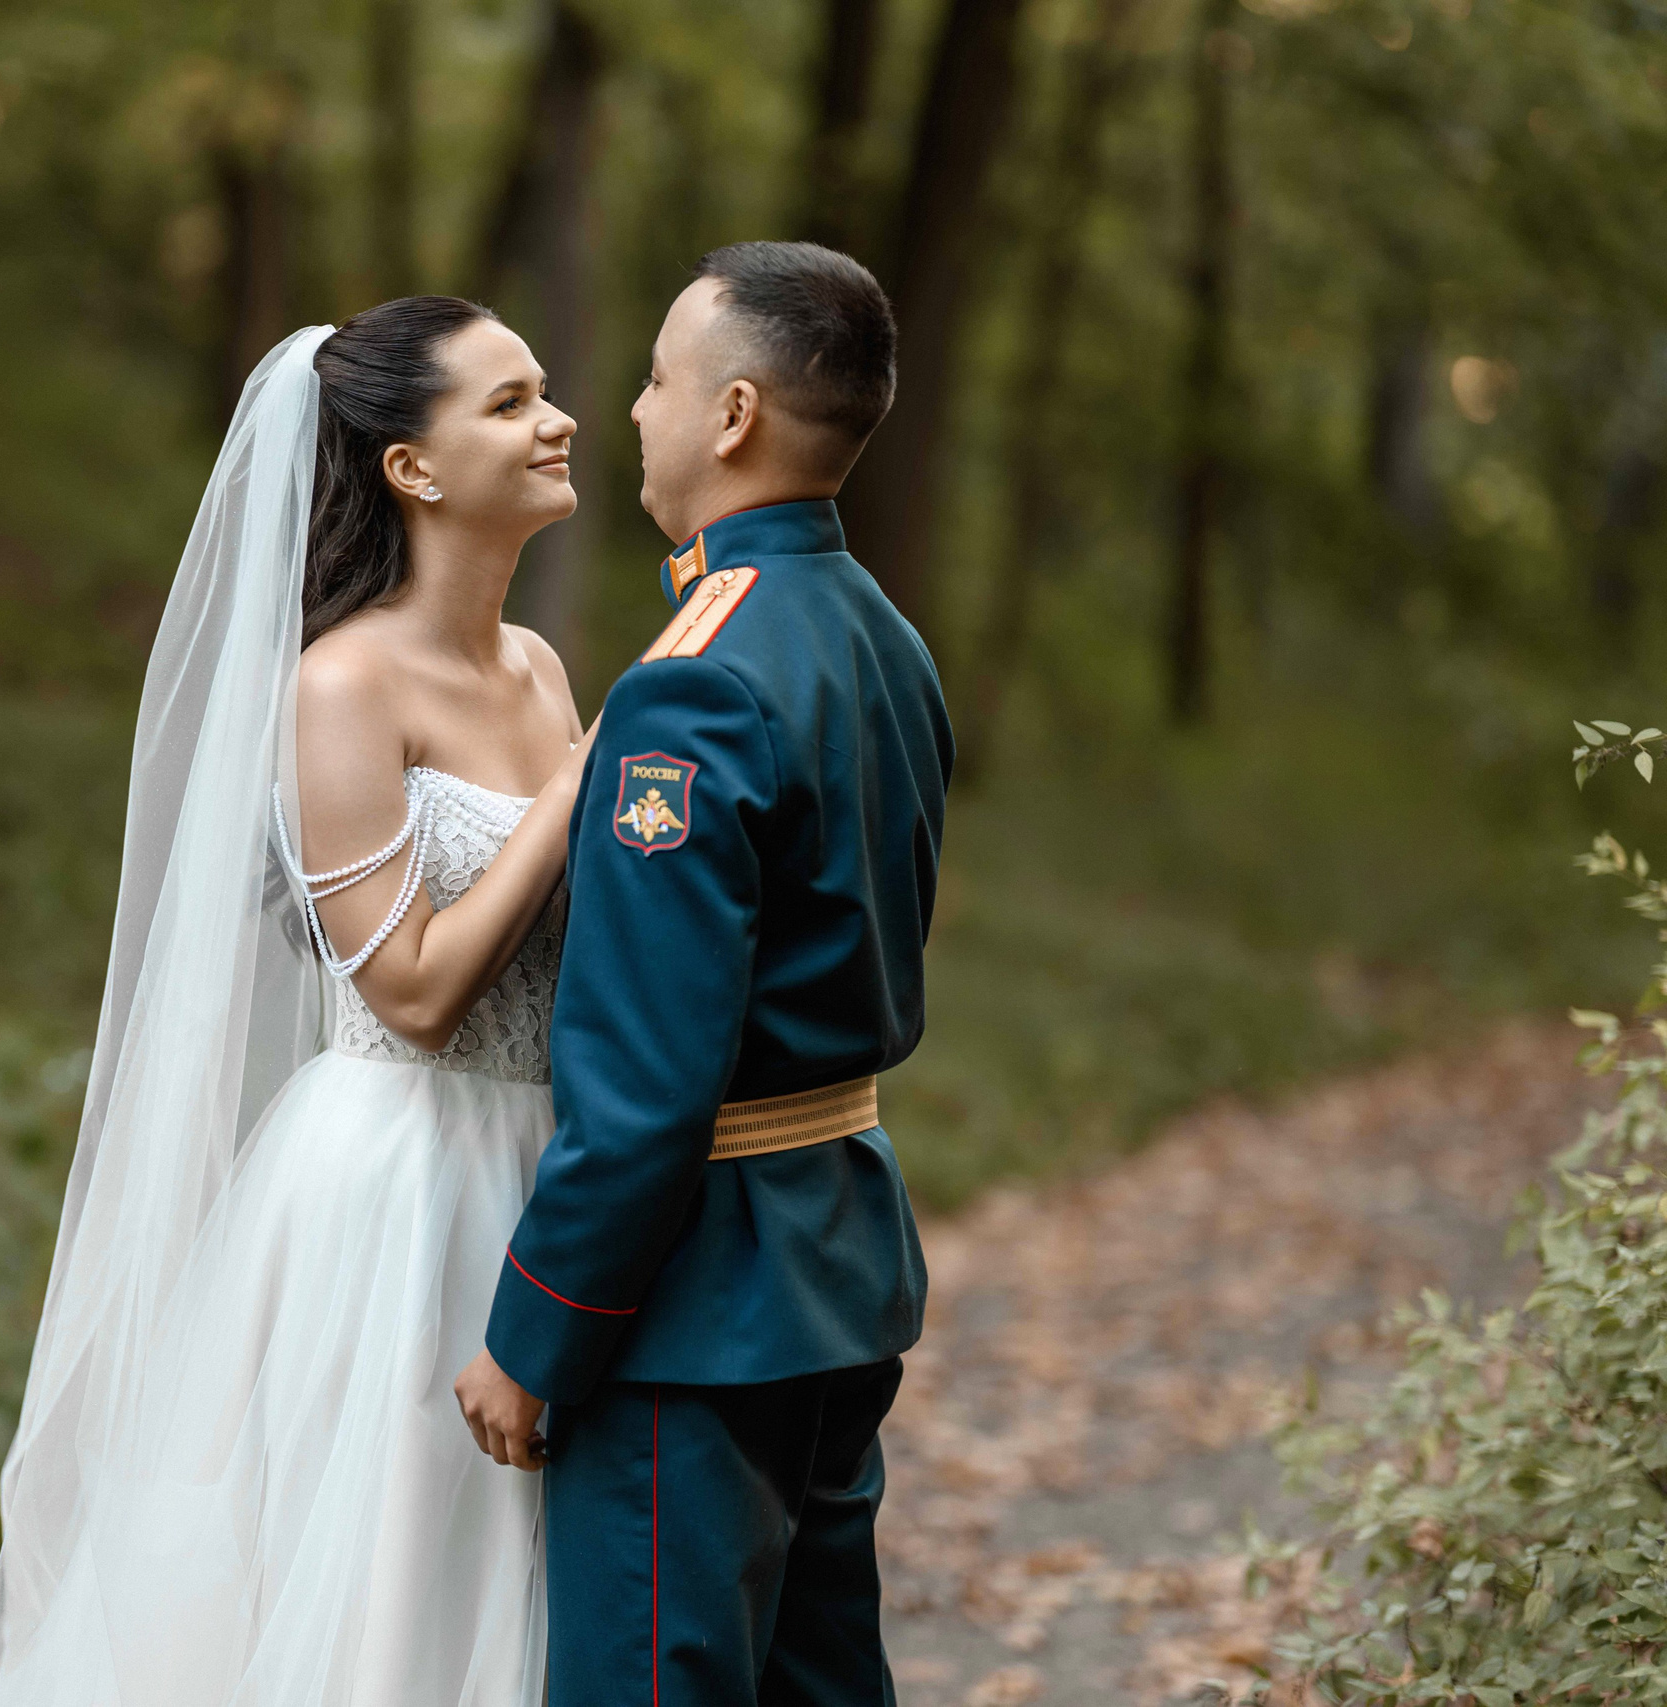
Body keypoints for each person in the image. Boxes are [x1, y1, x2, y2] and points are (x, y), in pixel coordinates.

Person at [0, 298, 589, 1707]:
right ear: (413, 470)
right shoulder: (344, 681)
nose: (558, 422)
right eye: (509, 401)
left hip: (548, 1166)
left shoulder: (541, 670)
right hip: (403, 1190)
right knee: (391, 1588)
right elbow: (413, 989)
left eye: (543, 393)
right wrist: (573, 791)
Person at [455, 241, 954, 1706]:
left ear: (732, 415)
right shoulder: (889, 640)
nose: (631, 411)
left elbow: (649, 1072)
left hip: (698, 1305)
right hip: (839, 1255)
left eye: (661, 379)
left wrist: (538, 1328)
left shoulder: (692, 682)